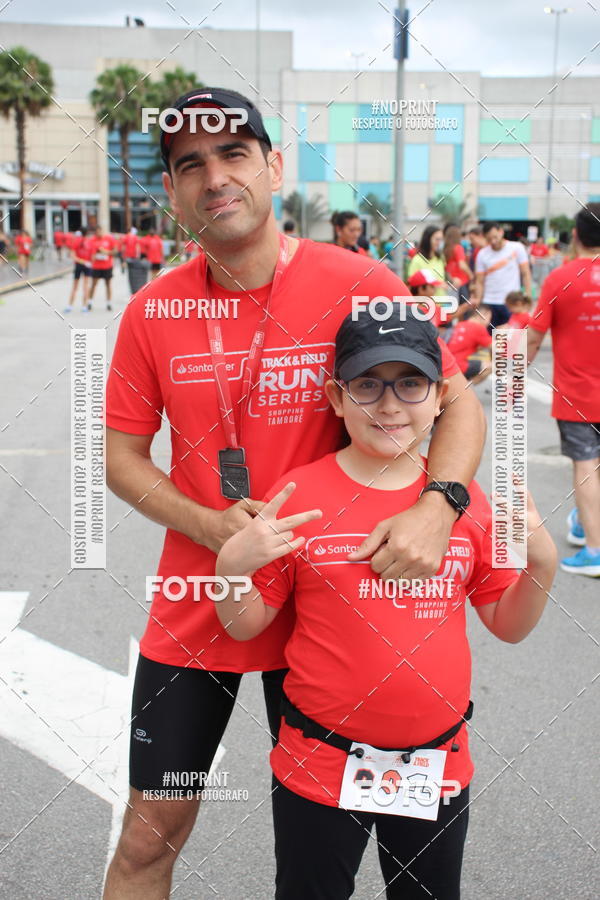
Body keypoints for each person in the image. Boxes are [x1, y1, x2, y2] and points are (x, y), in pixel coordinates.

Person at [103, 86, 486, 898]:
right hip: (204, 596)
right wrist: (210, 526)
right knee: (148, 837)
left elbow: (461, 401)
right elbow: (121, 459)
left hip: (331, 607)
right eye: (190, 165)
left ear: (273, 166)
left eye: (234, 153)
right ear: (171, 193)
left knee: (359, 864)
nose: (215, 177)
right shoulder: (151, 312)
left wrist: (437, 506)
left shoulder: (361, 279)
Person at [214, 307, 556, 900]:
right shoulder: (302, 494)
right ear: (337, 397)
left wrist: (543, 563)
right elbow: (247, 625)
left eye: (410, 382)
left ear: (441, 393)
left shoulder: (463, 502)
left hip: (436, 765)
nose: (390, 404)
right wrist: (230, 571)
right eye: (368, 384)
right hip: (319, 763)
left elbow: (507, 624)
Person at [528, 202, 600, 577]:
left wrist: (510, 372)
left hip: (579, 397)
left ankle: (594, 551)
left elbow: (533, 340)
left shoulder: (560, 279)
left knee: (585, 467)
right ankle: (586, 525)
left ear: (575, 236)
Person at [472, 222, 531, 328]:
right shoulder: (482, 254)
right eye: (489, 239)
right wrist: (478, 300)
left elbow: (526, 274)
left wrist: (528, 297)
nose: (493, 241)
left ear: (501, 232)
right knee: (491, 342)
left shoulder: (517, 248)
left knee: (513, 341)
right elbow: (479, 281)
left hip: (512, 304)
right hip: (489, 303)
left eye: (495, 237)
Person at [447, 306, 493, 384]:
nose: (489, 322)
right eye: (489, 318)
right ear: (483, 315)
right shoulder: (479, 328)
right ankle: (467, 389)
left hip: (447, 364)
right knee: (493, 366)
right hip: (458, 366)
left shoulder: (459, 324)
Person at [407, 225, 446, 293]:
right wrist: (433, 285)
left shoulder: (440, 258)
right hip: (426, 302)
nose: (439, 243)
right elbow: (412, 285)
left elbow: (443, 279)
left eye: (441, 240)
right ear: (428, 239)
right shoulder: (417, 260)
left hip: (443, 301)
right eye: (437, 239)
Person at [87, 225, 117, 311]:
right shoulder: (92, 240)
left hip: (107, 266)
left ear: (102, 231)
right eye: (97, 232)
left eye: (100, 232)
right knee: (93, 284)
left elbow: (115, 251)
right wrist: (93, 256)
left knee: (108, 284)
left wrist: (106, 251)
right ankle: (90, 302)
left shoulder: (109, 239)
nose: (98, 234)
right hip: (96, 266)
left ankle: (109, 303)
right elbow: (89, 252)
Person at [64, 227, 92, 313]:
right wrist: (86, 262)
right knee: (85, 286)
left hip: (80, 265)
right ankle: (83, 306)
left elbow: (73, 256)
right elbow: (93, 256)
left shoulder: (78, 241)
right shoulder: (89, 242)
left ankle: (70, 306)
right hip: (85, 264)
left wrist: (82, 261)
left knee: (77, 286)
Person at [444, 223, 473, 306]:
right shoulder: (458, 247)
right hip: (461, 281)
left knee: (453, 307)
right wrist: (471, 275)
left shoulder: (446, 249)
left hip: (451, 281)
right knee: (465, 307)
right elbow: (462, 264)